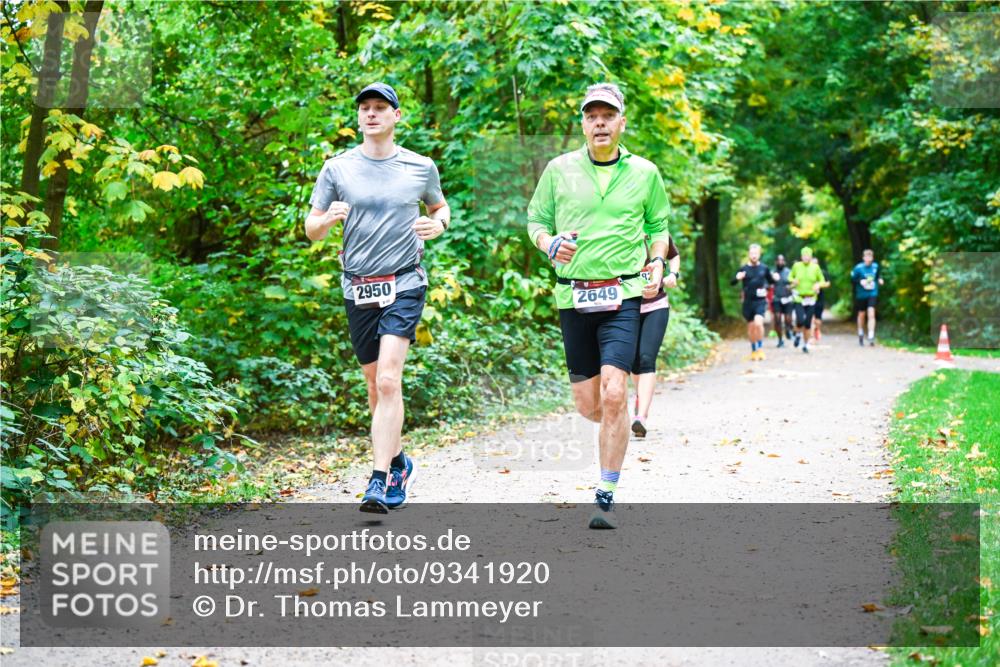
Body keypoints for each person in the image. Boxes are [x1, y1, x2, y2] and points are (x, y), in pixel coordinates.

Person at [526, 82, 671, 529]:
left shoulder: (645, 173)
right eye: (593, 116)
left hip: (623, 295)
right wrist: (550, 245)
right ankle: (613, 422)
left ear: (622, 122)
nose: (600, 123)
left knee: (614, 393)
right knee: (589, 404)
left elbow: (659, 226)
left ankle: (605, 492)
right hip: (574, 295)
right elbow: (536, 222)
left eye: (608, 115)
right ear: (583, 124)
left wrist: (657, 262)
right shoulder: (558, 170)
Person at [305, 82, 450, 514]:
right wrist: (327, 219)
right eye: (365, 108)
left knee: (389, 379)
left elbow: (439, 208)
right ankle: (400, 462)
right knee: (374, 385)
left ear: (395, 116)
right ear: (359, 117)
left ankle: (378, 479)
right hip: (358, 286)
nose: (371, 114)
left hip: (404, 281)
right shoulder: (337, 168)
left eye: (380, 108)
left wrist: (437, 226)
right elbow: (311, 228)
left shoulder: (420, 166)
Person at [629, 236, 681, 438]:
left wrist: (673, 274)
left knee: (646, 358)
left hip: (656, 306)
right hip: (628, 306)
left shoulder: (657, 233)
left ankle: (640, 417)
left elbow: (674, 256)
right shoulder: (620, 228)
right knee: (633, 362)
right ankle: (640, 398)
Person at [730, 243, 775, 361]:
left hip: (760, 301)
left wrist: (769, 284)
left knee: (758, 323)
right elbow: (732, 282)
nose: (754, 255)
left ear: (759, 255)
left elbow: (771, 282)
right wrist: (737, 278)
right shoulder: (744, 269)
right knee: (751, 328)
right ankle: (754, 350)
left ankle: (760, 349)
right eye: (752, 253)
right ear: (749, 254)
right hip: (748, 302)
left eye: (756, 253)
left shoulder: (764, 268)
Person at [788, 246, 824, 354]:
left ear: (811, 256)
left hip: (811, 298)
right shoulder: (796, 266)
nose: (806, 257)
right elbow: (789, 277)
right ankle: (798, 335)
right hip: (799, 298)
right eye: (804, 255)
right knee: (800, 320)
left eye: (808, 256)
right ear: (801, 256)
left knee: (808, 323)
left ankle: (806, 344)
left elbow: (822, 280)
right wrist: (793, 281)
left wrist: (818, 285)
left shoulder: (815, 267)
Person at [851, 248, 884, 346]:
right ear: (863, 258)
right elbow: (852, 280)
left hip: (872, 293)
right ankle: (860, 332)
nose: (869, 259)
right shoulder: (858, 268)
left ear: (872, 258)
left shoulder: (875, 266)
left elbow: (878, 276)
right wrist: (860, 282)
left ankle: (871, 335)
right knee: (861, 314)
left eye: (870, 257)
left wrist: (880, 280)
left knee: (871, 312)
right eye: (867, 257)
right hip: (861, 294)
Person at [771, 254, 794, 347]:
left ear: (784, 262)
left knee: (788, 319)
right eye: (778, 260)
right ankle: (780, 340)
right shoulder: (772, 272)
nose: (780, 262)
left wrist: (791, 286)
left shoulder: (789, 272)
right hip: (777, 299)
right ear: (776, 262)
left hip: (787, 299)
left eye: (782, 260)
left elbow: (795, 283)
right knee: (777, 319)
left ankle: (788, 329)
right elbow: (766, 283)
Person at [811, 255, 831, 342]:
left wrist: (819, 285)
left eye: (816, 263)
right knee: (811, 317)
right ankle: (811, 336)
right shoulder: (807, 274)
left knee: (818, 319)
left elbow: (828, 283)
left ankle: (817, 329)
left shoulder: (823, 273)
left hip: (820, 298)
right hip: (809, 298)